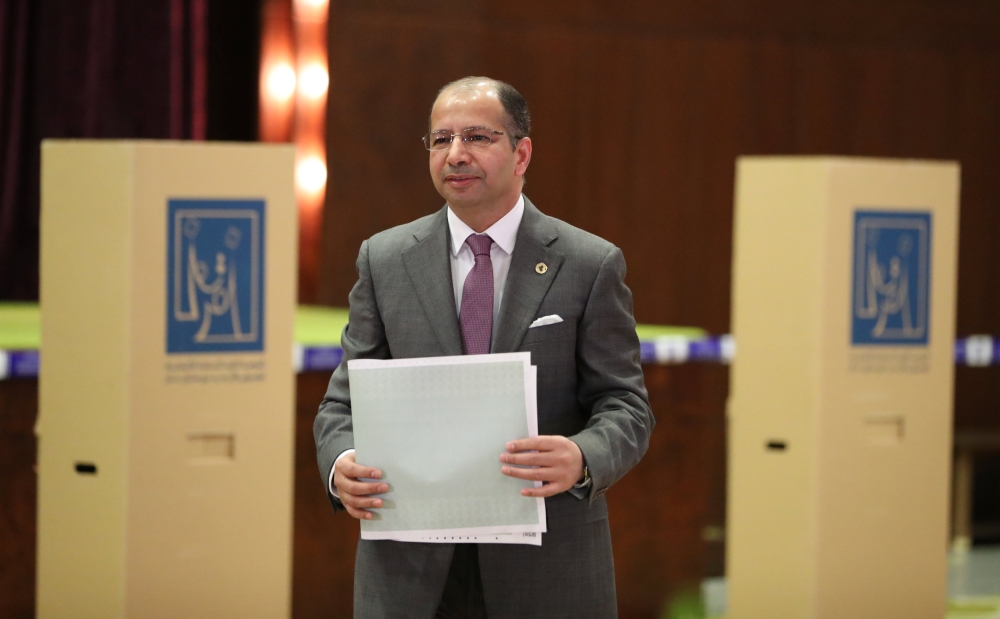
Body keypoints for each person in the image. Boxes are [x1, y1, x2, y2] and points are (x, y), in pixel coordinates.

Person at [314, 76, 653, 619]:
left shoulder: (589, 264)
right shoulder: (384, 259)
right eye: (441, 139)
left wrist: (583, 456)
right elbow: (341, 405)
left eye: (477, 137)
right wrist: (341, 465)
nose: (456, 154)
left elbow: (626, 406)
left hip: (546, 567)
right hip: (410, 570)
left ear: (521, 154)